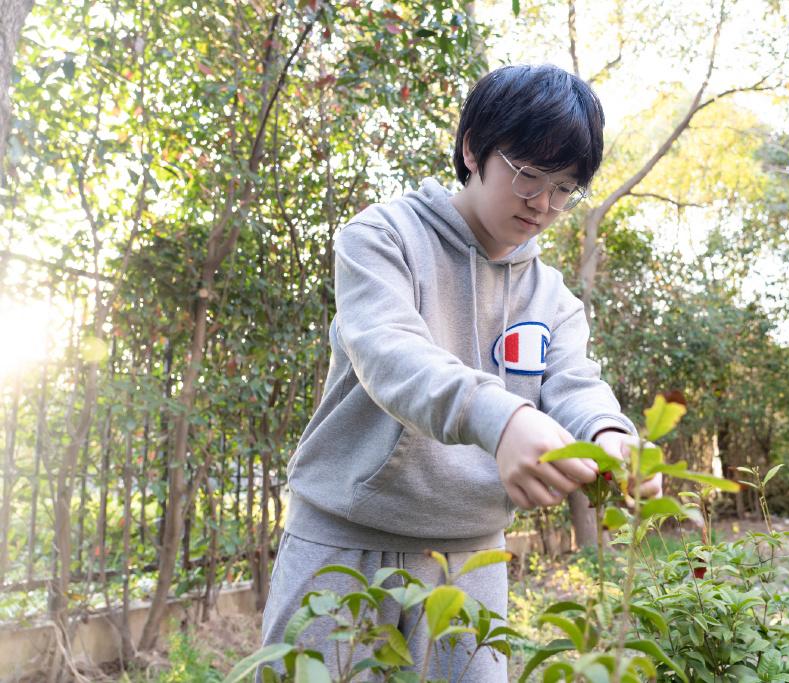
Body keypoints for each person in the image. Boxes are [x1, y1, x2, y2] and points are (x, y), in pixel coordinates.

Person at [260, 63, 662, 681]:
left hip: (471, 558)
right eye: (528, 175)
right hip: (341, 543)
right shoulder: (381, 238)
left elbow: (574, 383)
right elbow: (391, 354)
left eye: (565, 187)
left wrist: (610, 436)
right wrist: (500, 420)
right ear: (473, 148)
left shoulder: (551, 298)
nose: (544, 205)